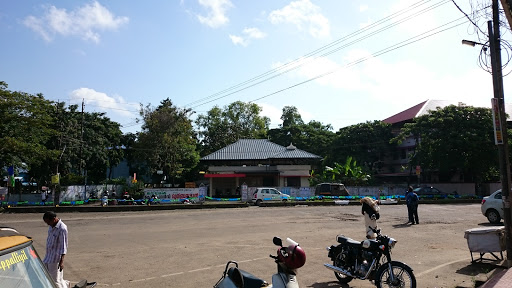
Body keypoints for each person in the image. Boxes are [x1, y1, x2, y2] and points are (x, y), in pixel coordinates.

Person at [42, 211, 69, 288]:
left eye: (48, 222)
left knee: (56, 281)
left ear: (54, 219)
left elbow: (63, 246)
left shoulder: (62, 228)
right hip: (48, 257)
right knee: (46, 277)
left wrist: (61, 262)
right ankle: (66, 285)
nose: (48, 224)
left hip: (55, 259)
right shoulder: (51, 226)